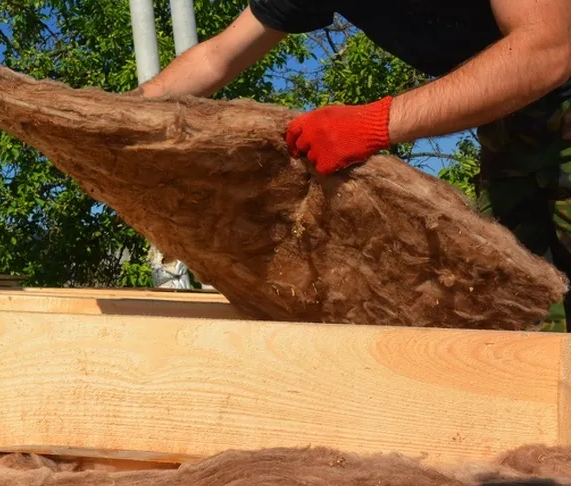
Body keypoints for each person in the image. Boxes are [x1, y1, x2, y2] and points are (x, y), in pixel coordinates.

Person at [132, 1, 571, 332]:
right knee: (508, 304)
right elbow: (218, 57)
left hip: (552, 84)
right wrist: (110, 120)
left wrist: (373, 123)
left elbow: (548, 47)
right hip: (510, 127)